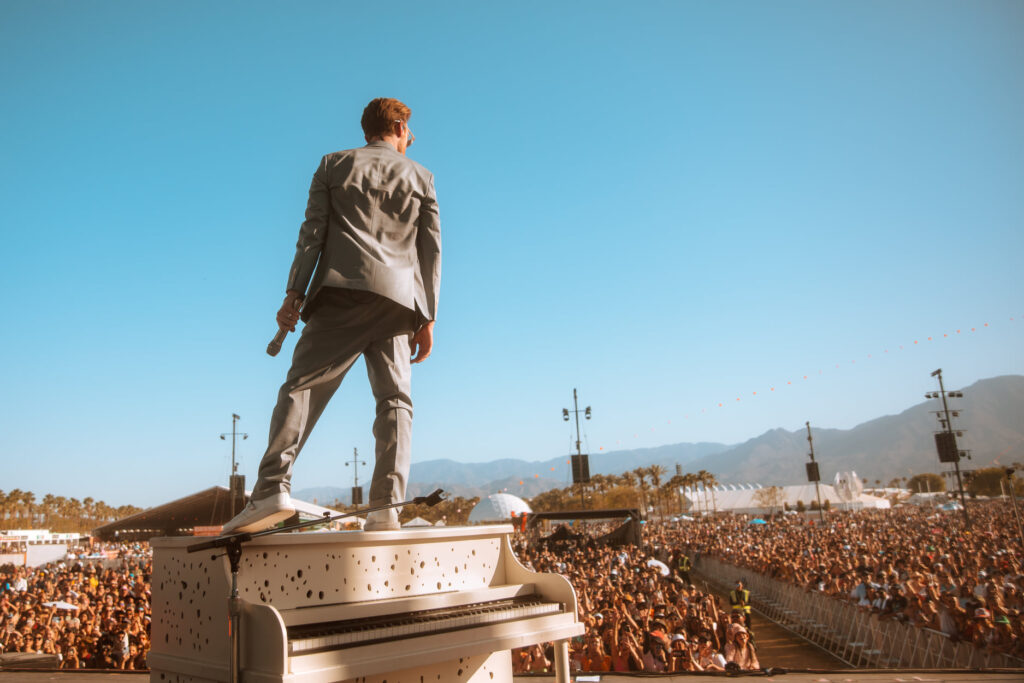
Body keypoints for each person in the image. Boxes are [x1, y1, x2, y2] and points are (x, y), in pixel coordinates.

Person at [223, 97, 442, 533]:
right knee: (396, 402)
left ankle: (270, 490)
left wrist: (293, 294)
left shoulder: (332, 165)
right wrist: (428, 316)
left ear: (367, 130)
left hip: (342, 292)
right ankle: (386, 508)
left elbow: (311, 237)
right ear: (398, 127)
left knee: (301, 388)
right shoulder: (423, 177)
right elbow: (430, 251)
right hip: (400, 304)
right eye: (410, 135)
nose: (410, 142)